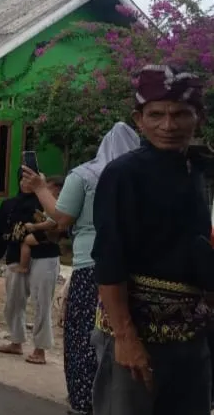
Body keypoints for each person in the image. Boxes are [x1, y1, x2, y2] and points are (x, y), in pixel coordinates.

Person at [90, 65, 213, 415]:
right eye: (156, 114)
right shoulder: (124, 174)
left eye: (180, 114)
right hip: (136, 336)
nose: (168, 126)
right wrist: (126, 339)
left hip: (191, 336)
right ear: (139, 119)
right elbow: (109, 258)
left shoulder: (196, 169)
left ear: (198, 117)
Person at [22, 121, 140, 414]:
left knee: (84, 337)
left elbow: (62, 218)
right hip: (134, 269)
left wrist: (39, 187)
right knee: (123, 338)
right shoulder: (142, 176)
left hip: (91, 268)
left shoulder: (85, 175)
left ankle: (85, 400)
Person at [0, 172, 64, 365]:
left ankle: (40, 349)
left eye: (30, 179)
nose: (25, 183)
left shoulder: (48, 204)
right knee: (13, 301)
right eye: (22, 178)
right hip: (15, 256)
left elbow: (60, 227)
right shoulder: (9, 205)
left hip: (45, 257)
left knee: (42, 303)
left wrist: (37, 238)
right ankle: (16, 341)